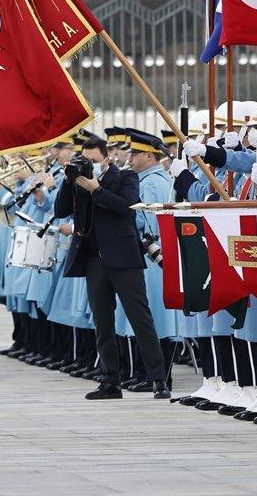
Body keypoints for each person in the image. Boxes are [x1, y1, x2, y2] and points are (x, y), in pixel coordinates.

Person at [53, 136, 170, 400]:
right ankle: (110, 381)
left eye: (93, 161)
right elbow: (60, 211)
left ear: (107, 159)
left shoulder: (125, 178)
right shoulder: (78, 180)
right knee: (102, 323)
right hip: (94, 259)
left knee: (141, 319)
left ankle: (159, 379)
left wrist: (96, 189)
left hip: (123, 258)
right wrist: (68, 178)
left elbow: (127, 209)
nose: (89, 166)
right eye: (86, 161)